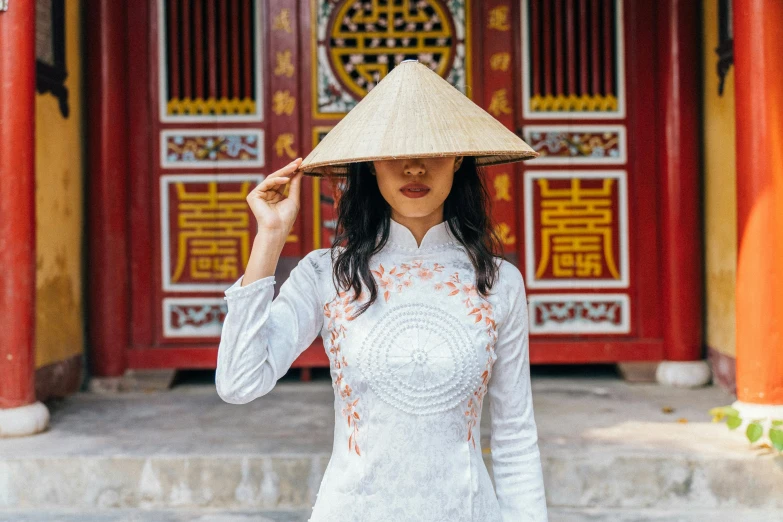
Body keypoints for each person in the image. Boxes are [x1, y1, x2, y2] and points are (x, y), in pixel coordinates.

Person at [216, 60, 548, 521]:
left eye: (432, 149)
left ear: (457, 158)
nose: (414, 166)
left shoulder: (495, 282)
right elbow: (238, 382)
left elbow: (514, 437)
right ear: (371, 163)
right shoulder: (327, 274)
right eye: (395, 150)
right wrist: (270, 236)